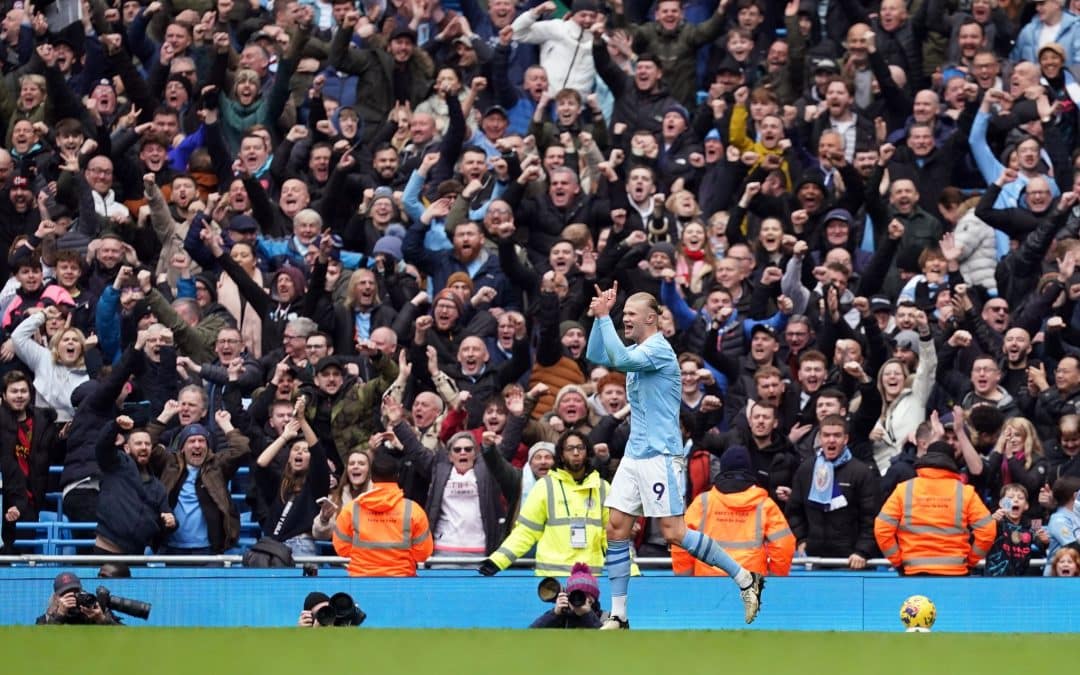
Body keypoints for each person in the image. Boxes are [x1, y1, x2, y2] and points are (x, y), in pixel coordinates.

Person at [584, 281, 764, 628]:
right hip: (635, 456)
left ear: (651, 318)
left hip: (661, 456)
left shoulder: (659, 350)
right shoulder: (639, 350)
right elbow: (597, 356)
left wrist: (605, 317)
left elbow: (618, 358)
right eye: (623, 316)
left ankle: (745, 578)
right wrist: (597, 318)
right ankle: (619, 615)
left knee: (673, 532)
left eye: (631, 315)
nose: (625, 320)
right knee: (616, 528)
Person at [479, 430, 611, 577]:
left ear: (587, 453)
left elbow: (614, 535)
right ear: (560, 455)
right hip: (551, 580)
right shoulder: (544, 487)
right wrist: (497, 561)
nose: (575, 452)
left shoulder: (603, 488)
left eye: (580, 448)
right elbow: (526, 532)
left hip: (591, 579)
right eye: (569, 448)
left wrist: (630, 569)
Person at [671, 446, 795, 577]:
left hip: (707, 583)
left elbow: (680, 539)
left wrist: (684, 577)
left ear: (722, 469)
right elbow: (784, 545)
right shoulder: (764, 504)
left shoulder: (703, 502)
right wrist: (776, 576)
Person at [875, 441, 996, 576]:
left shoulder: (904, 490)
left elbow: (882, 528)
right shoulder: (965, 493)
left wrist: (897, 561)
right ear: (952, 462)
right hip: (955, 572)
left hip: (914, 572)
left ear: (926, 459)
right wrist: (971, 561)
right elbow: (988, 530)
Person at [785, 416, 879, 569]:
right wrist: (801, 539)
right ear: (820, 438)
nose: (831, 440)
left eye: (837, 435)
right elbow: (794, 510)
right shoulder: (806, 470)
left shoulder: (861, 472)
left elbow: (871, 518)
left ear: (846, 439)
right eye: (826, 435)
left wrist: (862, 551)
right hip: (814, 560)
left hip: (851, 562)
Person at [332, 448, 434, 577]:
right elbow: (423, 554)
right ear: (397, 476)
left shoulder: (351, 509)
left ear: (372, 477)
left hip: (360, 580)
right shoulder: (414, 510)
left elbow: (342, 549)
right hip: (402, 581)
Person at [528, 562, 603, 629]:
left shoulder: (604, 618)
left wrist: (588, 614)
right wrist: (555, 614)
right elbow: (530, 635)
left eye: (585, 595)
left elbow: (605, 640)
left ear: (593, 599)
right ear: (568, 597)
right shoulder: (562, 618)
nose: (579, 599)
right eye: (575, 594)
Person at [35, 572, 119, 625]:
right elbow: (43, 644)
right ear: (57, 598)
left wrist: (101, 619)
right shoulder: (46, 619)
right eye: (66, 594)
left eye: (76, 592)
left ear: (82, 591)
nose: (73, 598)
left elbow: (124, 637)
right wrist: (60, 615)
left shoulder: (95, 609)